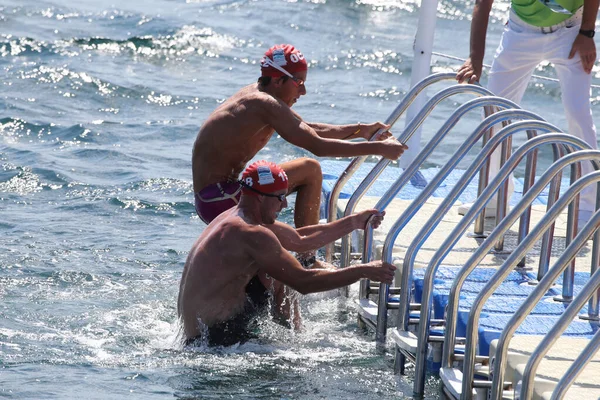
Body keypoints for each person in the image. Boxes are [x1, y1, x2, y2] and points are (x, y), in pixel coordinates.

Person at [192, 43, 408, 264]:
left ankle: (304, 258)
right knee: (310, 169)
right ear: (277, 80)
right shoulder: (264, 104)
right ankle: (307, 259)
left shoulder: (261, 97)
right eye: (299, 83)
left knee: (303, 170)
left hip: (215, 197)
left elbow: (307, 128)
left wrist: (361, 129)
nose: (303, 91)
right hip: (220, 198)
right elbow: (318, 146)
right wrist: (378, 149)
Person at [178, 161, 396, 347]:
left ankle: (295, 334)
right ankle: (298, 342)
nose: (284, 204)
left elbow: (299, 240)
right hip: (213, 341)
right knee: (282, 270)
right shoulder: (251, 233)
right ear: (260, 197)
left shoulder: (235, 217)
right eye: (280, 197)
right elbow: (304, 282)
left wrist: (355, 221)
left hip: (194, 335)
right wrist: (363, 271)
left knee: (275, 265)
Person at [456, 0, 598, 225]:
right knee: (494, 113)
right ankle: (495, 197)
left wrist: (587, 32)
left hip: (571, 31)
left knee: (578, 113)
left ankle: (588, 208)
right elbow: (483, 4)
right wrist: (475, 59)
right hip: (520, 32)